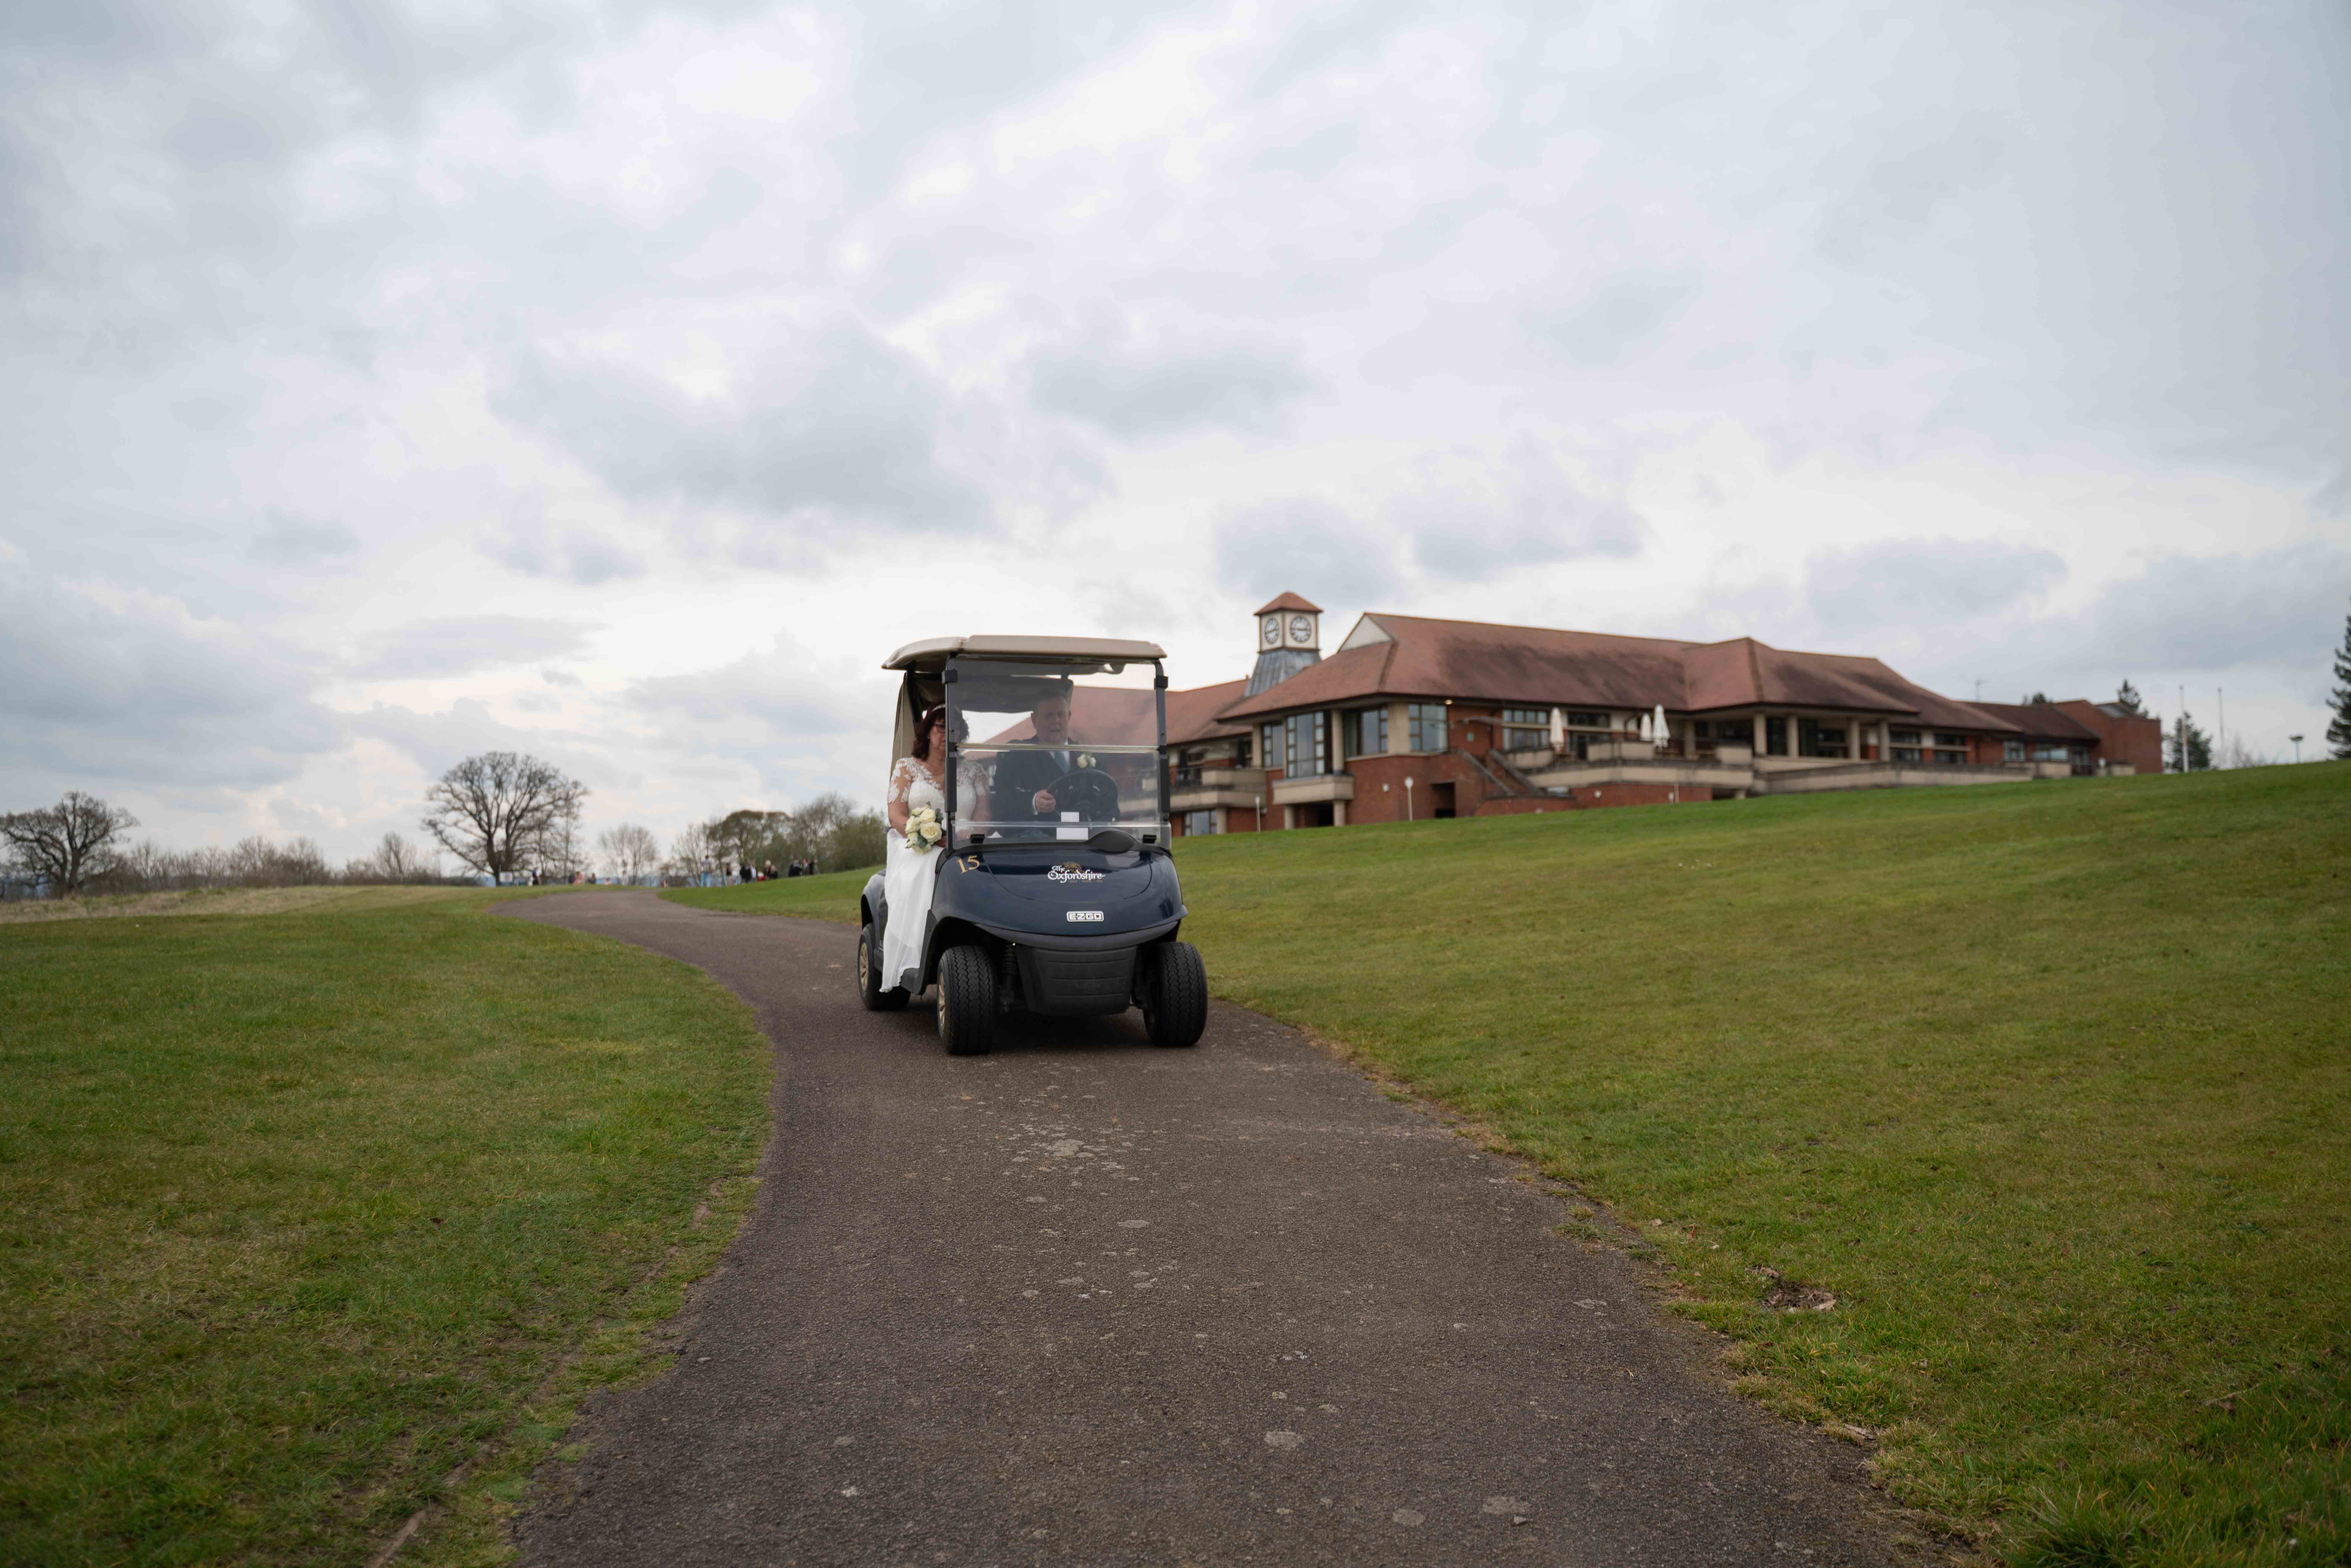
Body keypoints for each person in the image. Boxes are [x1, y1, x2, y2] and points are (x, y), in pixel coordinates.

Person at [880, 704, 950, 992]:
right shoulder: (907, 768)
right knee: (930, 863)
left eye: (954, 728)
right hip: (917, 843)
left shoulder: (971, 771)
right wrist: (928, 836)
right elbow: (896, 816)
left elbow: (983, 816)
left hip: (962, 842)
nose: (947, 733)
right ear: (928, 731)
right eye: (941, 727)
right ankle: (922, 946)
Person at [988, 681, 1083, 833]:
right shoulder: (1017, 754)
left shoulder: (1090, 755)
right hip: (1037, 842)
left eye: (1061, 715)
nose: (1056, 721)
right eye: (1049, 716)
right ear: (1034, 720)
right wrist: (1033, 801)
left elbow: (1109, 805)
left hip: (1086, 841)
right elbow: (1003, 800)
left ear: (1069, 716)